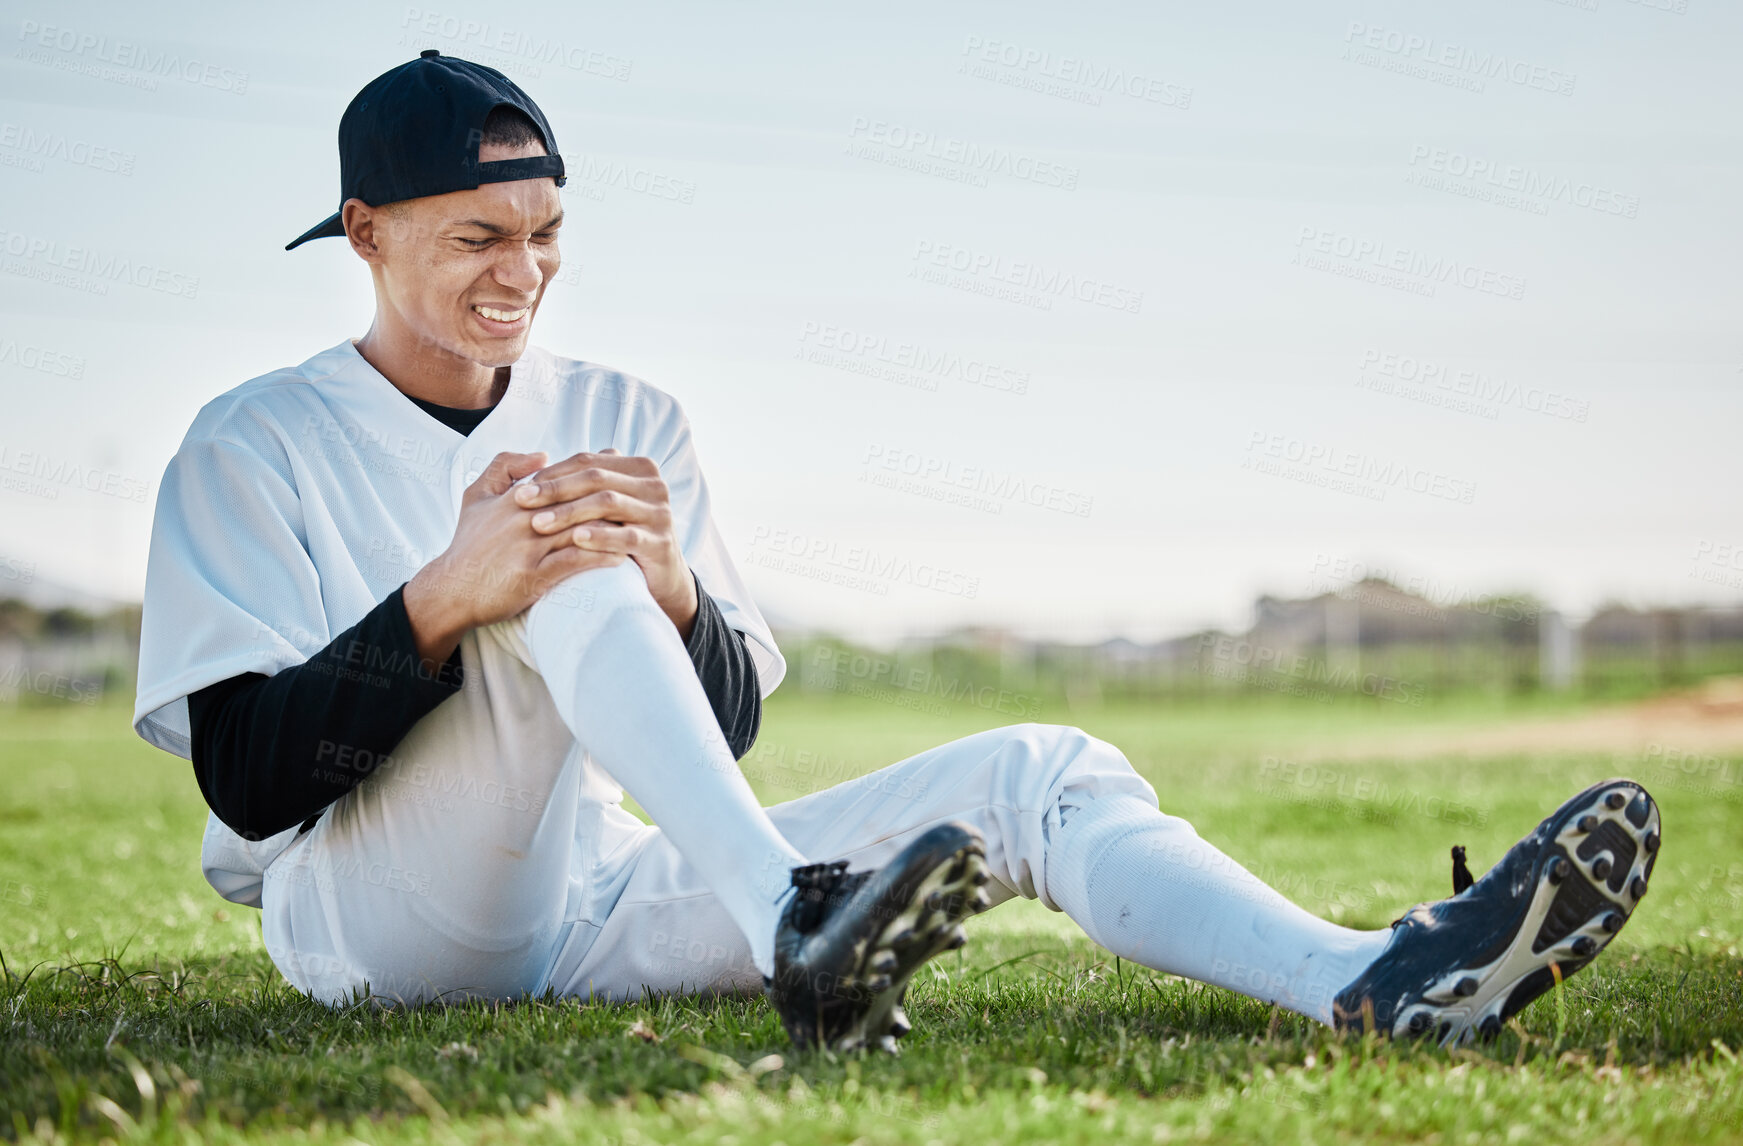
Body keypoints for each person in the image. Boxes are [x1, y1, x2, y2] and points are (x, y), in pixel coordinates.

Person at [132, 52, 1661, 1052]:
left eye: (541, 230)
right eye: (476, 236)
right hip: (369, 922)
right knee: (555, 546)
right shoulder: (250, 440)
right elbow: (247, 780)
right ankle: (801, 923)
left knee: (1039, 771)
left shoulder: (628, 409)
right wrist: (444, 601)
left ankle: (1371, 979)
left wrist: (673, 596)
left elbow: (706, 731)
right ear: (364, 232)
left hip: (584, 894)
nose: (521, 270)